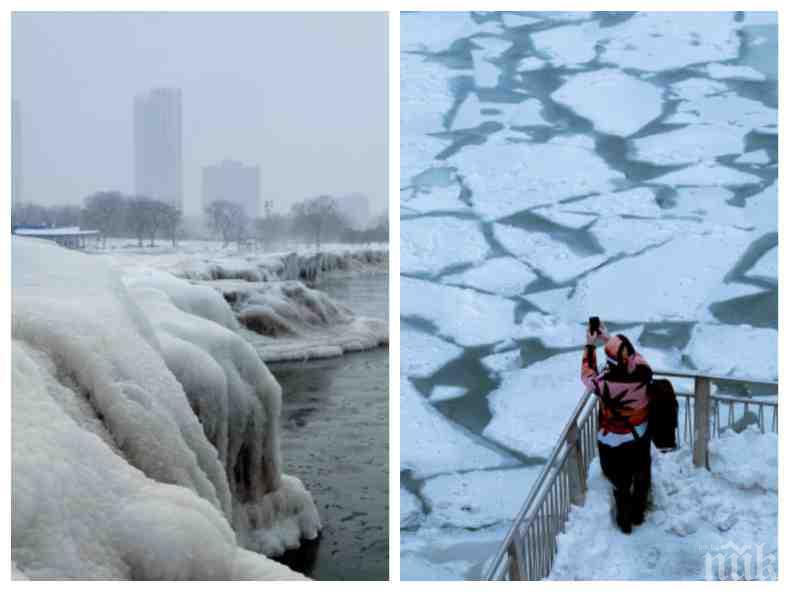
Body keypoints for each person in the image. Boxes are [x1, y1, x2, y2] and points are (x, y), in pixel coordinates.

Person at [581, 322, 652, 534]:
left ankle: (624, 521)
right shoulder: (644, 372)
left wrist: (591, 346)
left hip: (614, 440)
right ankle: (638, 514)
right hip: (640, 433)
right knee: (641, 475)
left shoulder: (606, 384)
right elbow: (633, 356)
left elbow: (587, 376)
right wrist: (609, 339)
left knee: (621, 482)